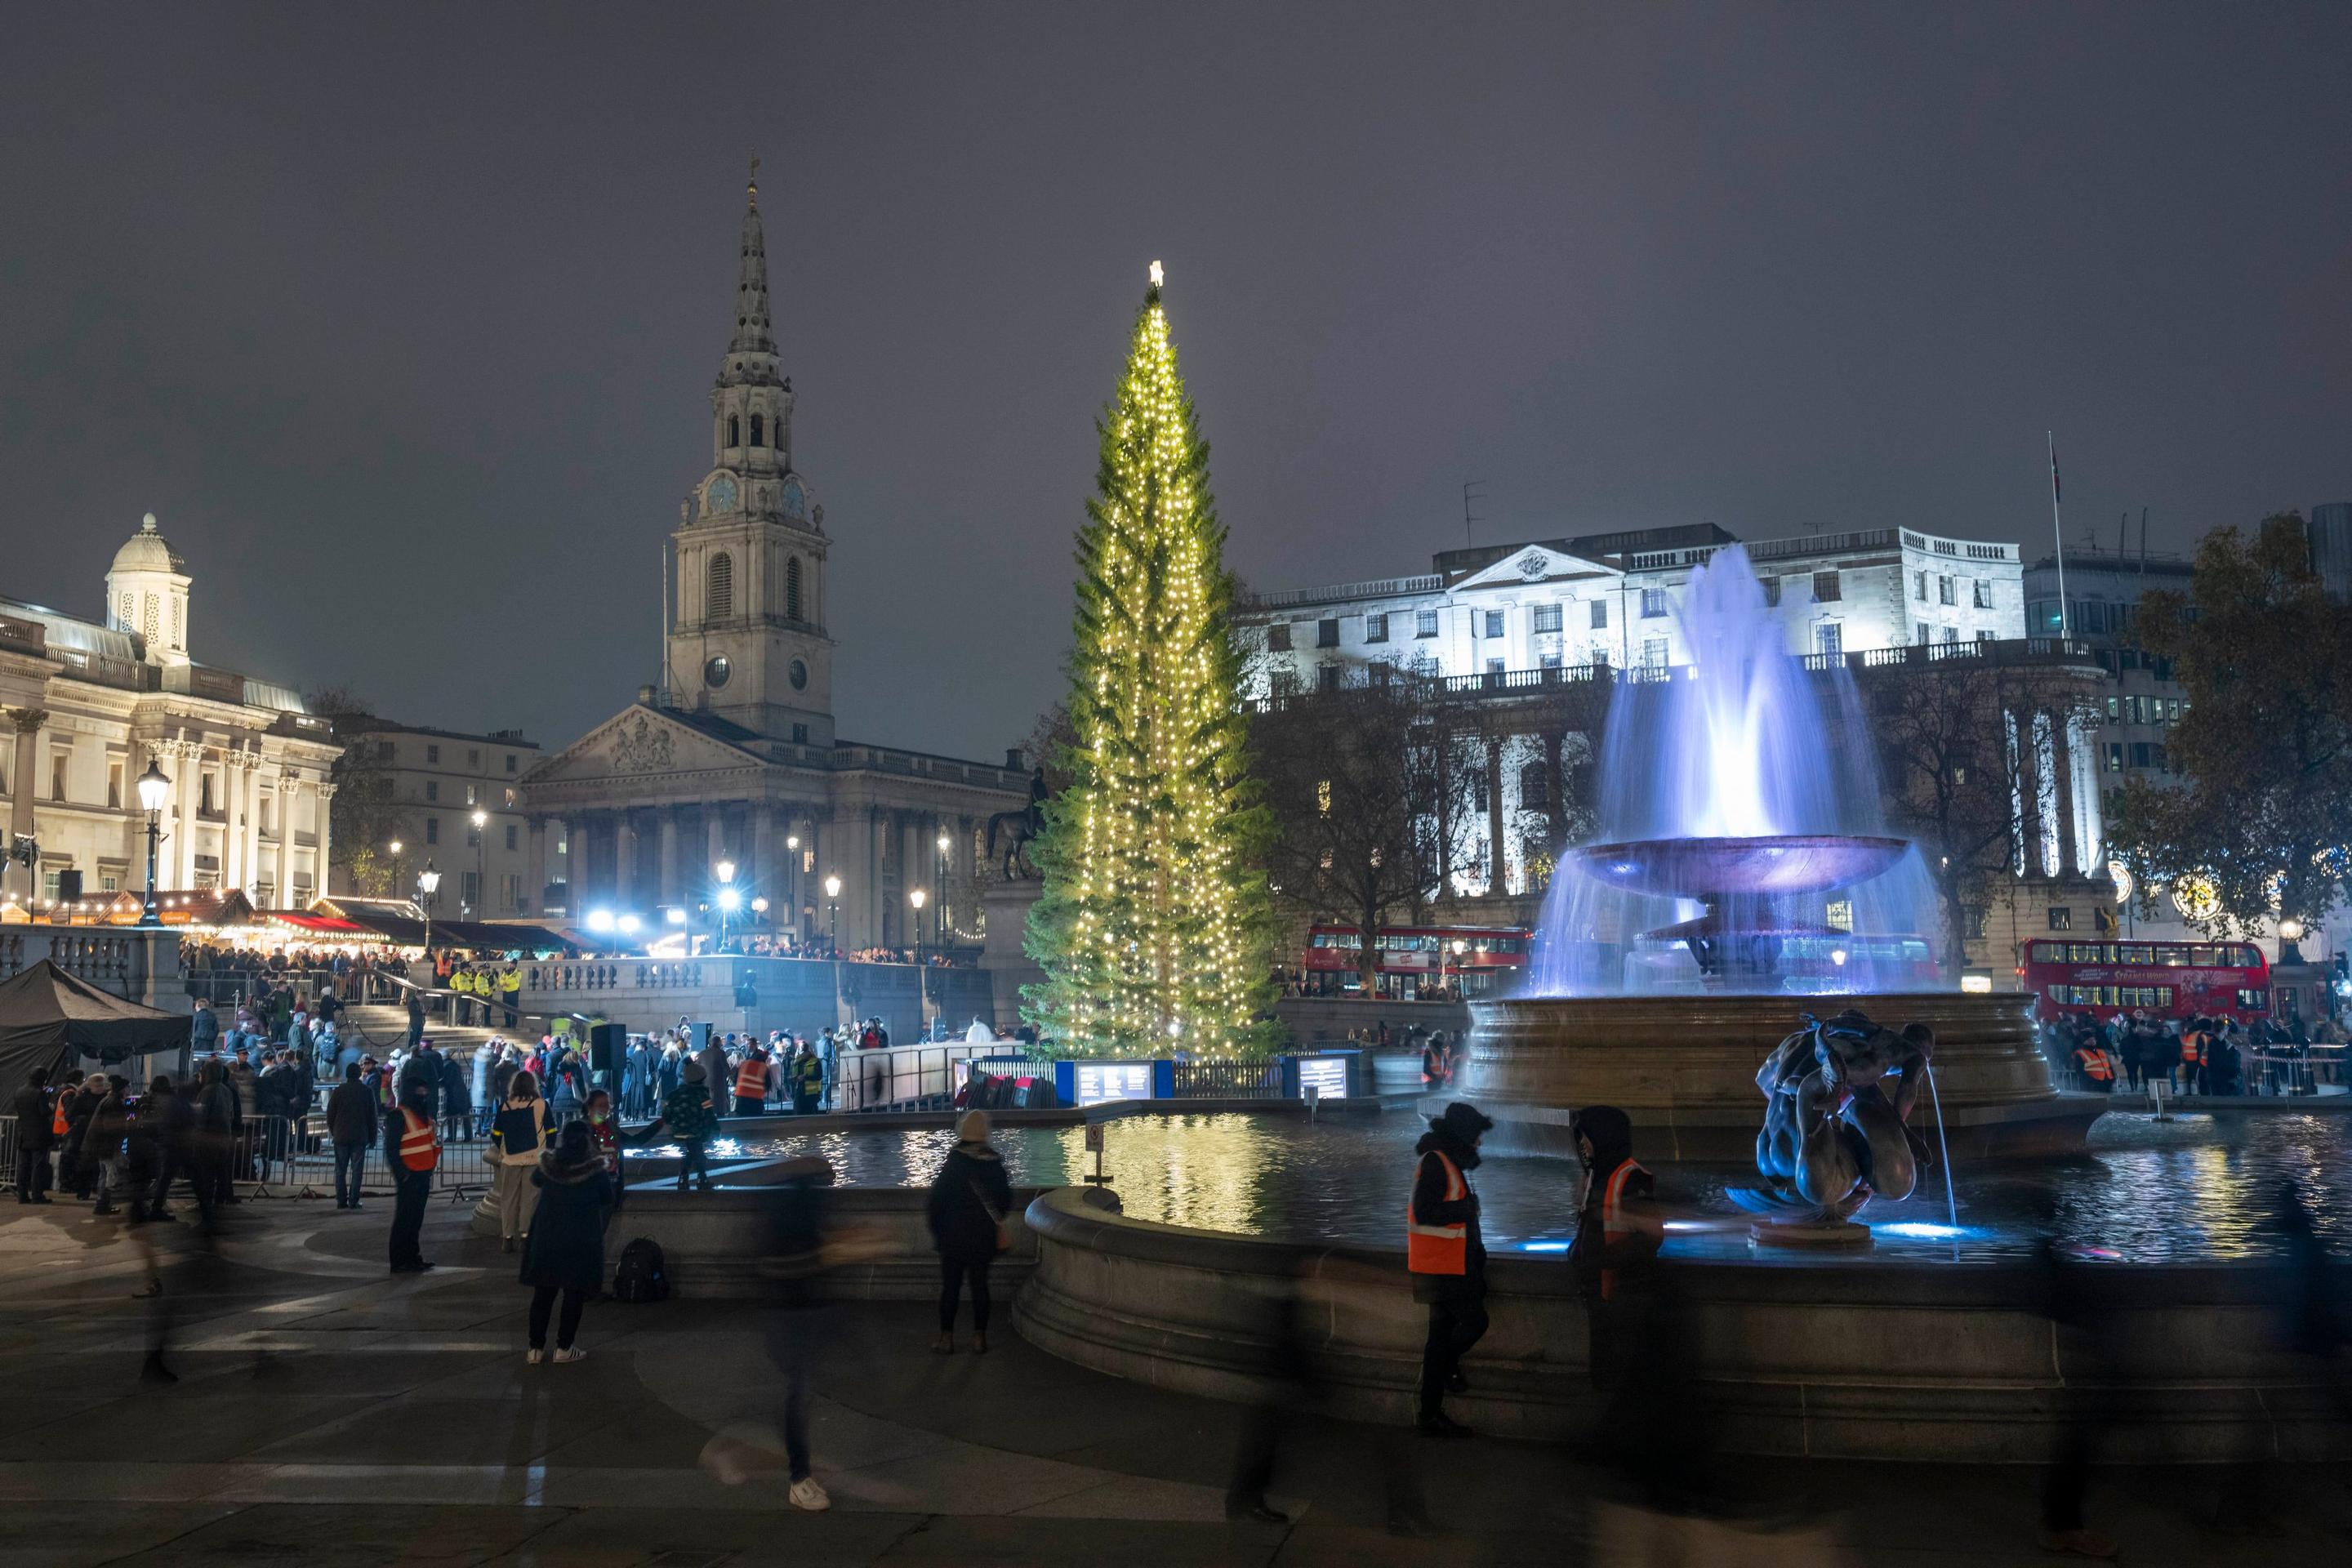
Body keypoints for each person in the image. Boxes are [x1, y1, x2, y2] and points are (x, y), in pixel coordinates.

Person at [1406, 1100, 1491, 1437]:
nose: (1479, 1144)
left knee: (1438, 1339)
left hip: (1444, 1266)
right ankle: (1445, 1368)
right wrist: (1466, 1209)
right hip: (1442, 1270)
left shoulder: (1448, 1162)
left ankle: (1429, 1415)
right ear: (1463, 1136)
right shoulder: (1436, 1163)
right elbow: (1425, 1211)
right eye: (1475, 1137)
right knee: (1474, 1322)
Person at [1567, 1105, 1664, 1383]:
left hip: (1623, 1291)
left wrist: (1605, 1259)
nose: (1583, 1144)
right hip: (1599, 1288)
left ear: (1603, 1136)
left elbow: (1653, 1235)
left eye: (1586, 1137)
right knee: (1605, 1366)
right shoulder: (1597, 1175)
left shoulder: (1631, 1176)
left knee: (1622, 1368)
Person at [519, 1120, 613, 1365]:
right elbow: (607, 1197)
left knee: (543, 1293)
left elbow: (535, 1180)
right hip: (580, 1238)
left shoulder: (549, 1166)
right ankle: (564, 1347)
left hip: (548, 1235)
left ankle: (535, 1349)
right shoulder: (595, 1171)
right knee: (573, 1292)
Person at [926, 1109, 1013, 1354]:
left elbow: (936, 1200)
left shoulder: (954, 1162)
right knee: (980, 1287)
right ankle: (979, 1337)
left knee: (951, 1288)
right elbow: (1005, 1201)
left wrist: (937, 1230)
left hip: (953, 1237)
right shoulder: (995, 1163)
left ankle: (946, 1337)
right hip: (983, 1237)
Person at [492, 1070, 555, 1252]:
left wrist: (506, 1147)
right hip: (535, 1158)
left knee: (508, 1199)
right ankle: (525, 1236)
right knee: (530, 1199)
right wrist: (547, 1151)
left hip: (510, 1159)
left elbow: (496, 1134)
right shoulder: (541, 1105)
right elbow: (552, 1131)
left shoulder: (505, 1106)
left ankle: (507, 1238)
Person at [385, 1076, 439, 1274]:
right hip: (409, 1175)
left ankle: (413, 1257)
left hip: (423, 1173)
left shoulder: (423, 1115)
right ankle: (399, 1260)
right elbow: (392, 1149)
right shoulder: (399, 1115)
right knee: (404, 1219)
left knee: (416, 1219)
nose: (423, 1094)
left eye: (425, 1090)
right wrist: (402, 1174)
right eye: (419, 1090)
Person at [656, 1061, 719, 1192]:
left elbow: (666, 1113)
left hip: (679, 1131)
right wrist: (715, 1128)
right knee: (698, 1154)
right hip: (696, 1131)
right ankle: (701, 1178)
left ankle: (684, 1177)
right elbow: (709, 1114)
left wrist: (670, 1123)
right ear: (702, 1079)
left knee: (691, 1152)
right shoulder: (703, 1095)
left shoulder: (674, 1095)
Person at [326, 1061, 379, 1210]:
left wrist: (333, 1130)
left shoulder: (339, 1091)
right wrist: (373, 1137)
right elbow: (372, 1117)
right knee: (357, 1170)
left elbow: (330, 1114)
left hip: (341, 1135)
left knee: (340, 1169)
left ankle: (341, 1200)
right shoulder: (366, 1091)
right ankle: (354, 1200)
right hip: (359, 1135)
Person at [12, 1067, 55, 1204]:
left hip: (23, 1134)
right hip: (39, 1135)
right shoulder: (39, 1093)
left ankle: (22, 1196)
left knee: (23, 1166)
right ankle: (37, 1196)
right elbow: (44, 1112)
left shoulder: (19, 1091)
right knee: (38, 1166)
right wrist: (51, 1108)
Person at [733, 1044, 773, 1117]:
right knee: (755, 1123)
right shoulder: (763, 1067)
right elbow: (768, 1084)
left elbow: (735, 1080)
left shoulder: (744, 1064)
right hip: (755, 1100)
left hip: (741, 1100)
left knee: (742, 1122)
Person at [791, 1039, 825, 1115]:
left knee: (810, 1115)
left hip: (811, 1094)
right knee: (797, 1113)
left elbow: (819, 1076)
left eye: (803, 1049)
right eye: (800, 1048)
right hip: (799, 1092)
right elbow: (793, 1075)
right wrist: (794, 1078)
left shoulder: (815, 1061)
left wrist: (805, 1077)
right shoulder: (796, 1062)